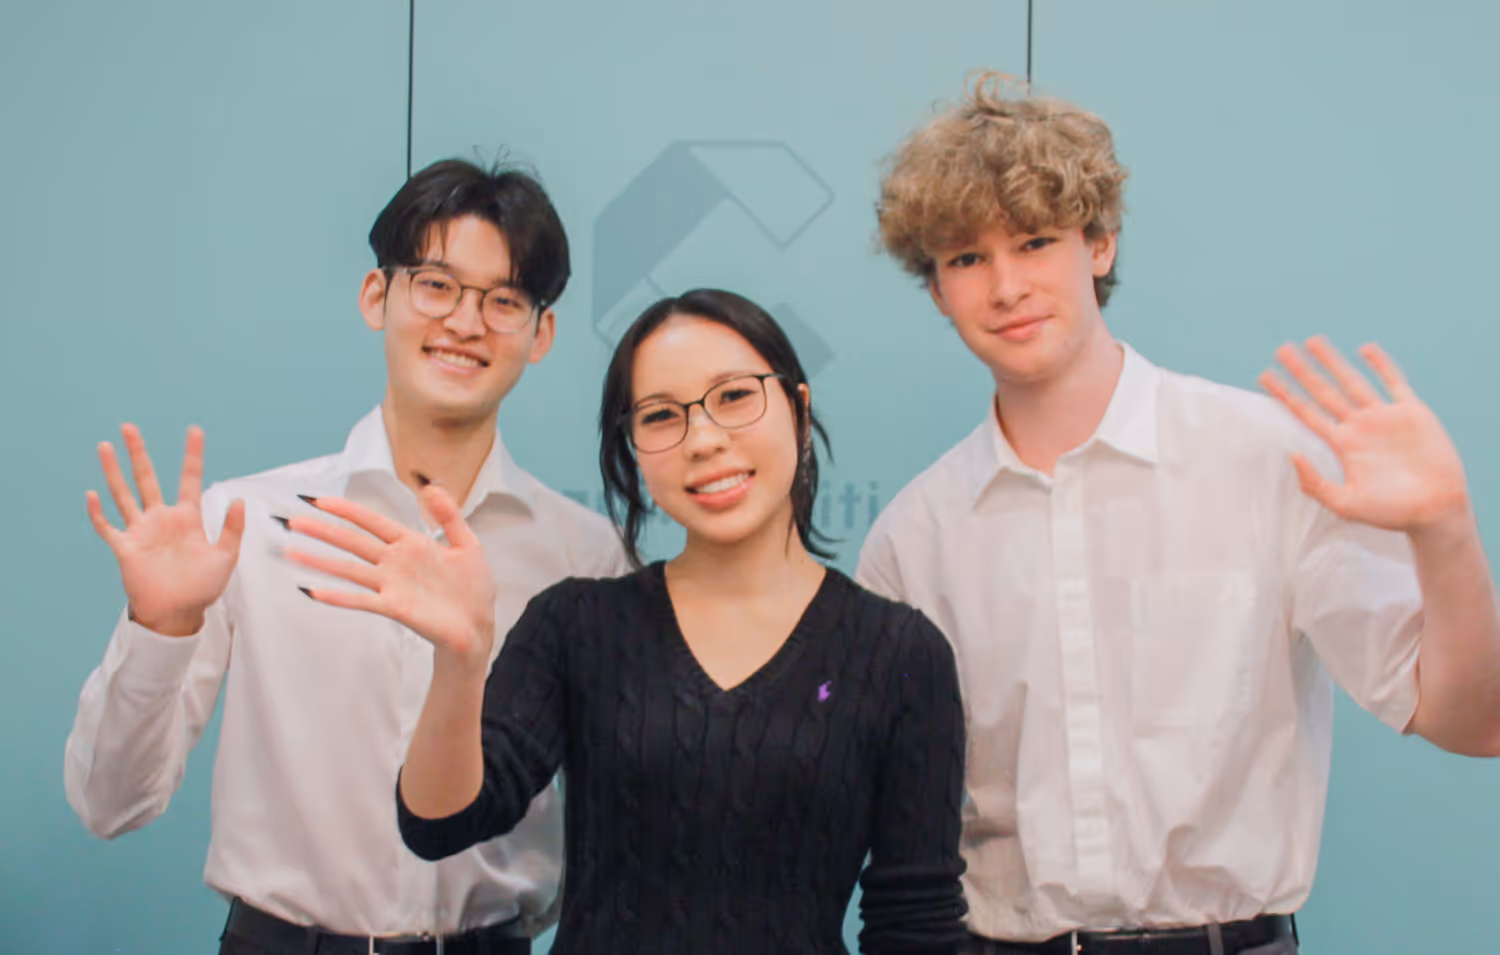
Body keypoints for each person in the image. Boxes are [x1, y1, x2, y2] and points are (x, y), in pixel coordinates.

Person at [857, 73, 1500, 954]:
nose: (1005, 285)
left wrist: (1446, 530)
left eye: (1036, 240)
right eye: (967, 258)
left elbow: (1475, 723)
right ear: (936, 289)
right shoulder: (911, 536)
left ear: (1100, 244)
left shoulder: (1266, 457)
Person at [283, 289, 970, 954]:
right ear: (635, 449)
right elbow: (441, 821)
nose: (703, 438)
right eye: (662, 415)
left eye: (734, 396)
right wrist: (460, 663)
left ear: (796, 406)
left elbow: (915, 920)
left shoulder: (901, 654)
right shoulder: (578, 624)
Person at [65, 158, 625, 955]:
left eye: (504, 300)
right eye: (436, 285)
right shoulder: (246, 523)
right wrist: (162, 624)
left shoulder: (587, 556)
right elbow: (108, 804)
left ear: (542, 333)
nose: (467, 323)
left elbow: (625, 817)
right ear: (377, 297)